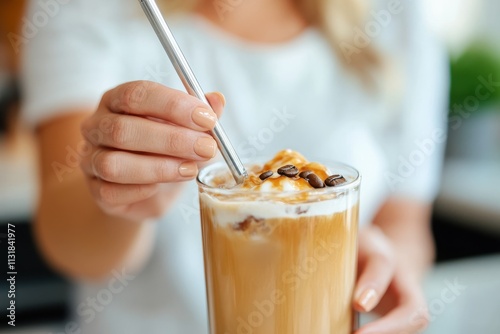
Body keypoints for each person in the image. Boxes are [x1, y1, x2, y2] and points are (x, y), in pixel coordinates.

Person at [21, 0, 448, 333]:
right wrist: (123, 197)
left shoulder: (399, 17)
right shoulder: (86, 8)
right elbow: (68, 238)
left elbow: (405, 224)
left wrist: (379, 268)